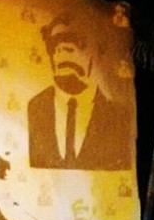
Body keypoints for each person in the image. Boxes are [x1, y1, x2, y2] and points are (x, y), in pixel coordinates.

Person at [27, 11, 133, 170]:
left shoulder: (118, 117)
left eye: (77, 41)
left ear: (97, 52)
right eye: (54, 44)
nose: (62, 49)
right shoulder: (36, 107)